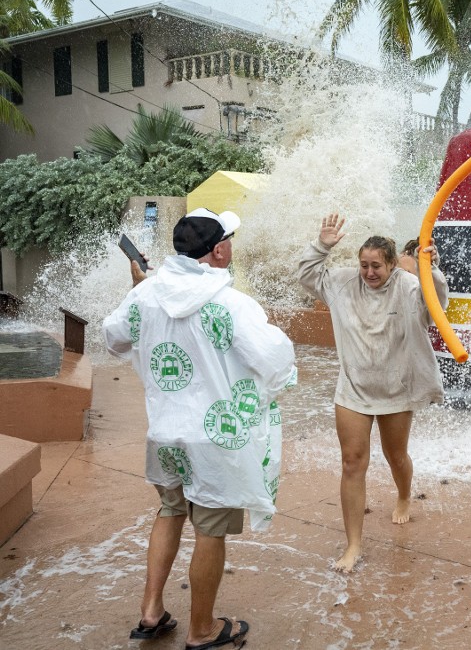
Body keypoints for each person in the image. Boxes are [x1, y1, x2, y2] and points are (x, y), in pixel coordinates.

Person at [103, 207, 296, 649]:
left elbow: (113, 339)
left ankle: (151, 611)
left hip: (164, 434)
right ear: (220, 249)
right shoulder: (231, 303)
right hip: (215, 440)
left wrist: (138, 294)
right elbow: (274, 362)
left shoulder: (146, 295)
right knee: (209, 529)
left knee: (170, 512)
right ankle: (202, 630)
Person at [297, 214, 448, 573]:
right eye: (363, 265)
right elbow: (306, 275)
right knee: (352, 463)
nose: (369, 272)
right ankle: (353, 546)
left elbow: (436, 304)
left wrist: (431, 269)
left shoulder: (410, 286)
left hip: (396, 388)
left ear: (393, 264)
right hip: (353, 388)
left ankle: (403, 495)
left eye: (376, 265)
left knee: (396, 457)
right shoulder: (342, 283)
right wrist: (322, 245)